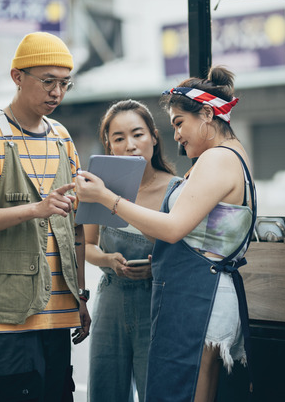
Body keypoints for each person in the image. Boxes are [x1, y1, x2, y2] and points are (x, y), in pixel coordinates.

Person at [76, 66, 255, 402]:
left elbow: (173, 229)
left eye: (178, 123)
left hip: (203, 293)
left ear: (205, 114)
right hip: (198, 292)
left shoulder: (217, 159)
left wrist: (107, 198)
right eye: (118, 138)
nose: (176, 135)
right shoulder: (228, 155)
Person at [0, 31, 90, 402]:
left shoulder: (62, 137)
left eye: (64, 83)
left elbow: (74, 228)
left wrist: (81, 297)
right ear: (17, 77)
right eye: (47, 81)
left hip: (60, 311)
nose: (57, 92)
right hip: (5, 311)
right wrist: (37, 208)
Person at [84, 100, 179, 402]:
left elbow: (189, 253)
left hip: (158, 303)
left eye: (138, 134)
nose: (130, 145)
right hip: (110, 299)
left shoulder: (177, 189)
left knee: (157, 391)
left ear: (154, 136)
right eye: (119, 138)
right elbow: (86, 246)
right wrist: (108, 260)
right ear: (109, 146)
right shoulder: (99, 187)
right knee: (104, 391)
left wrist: (157, 268)